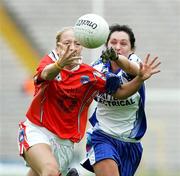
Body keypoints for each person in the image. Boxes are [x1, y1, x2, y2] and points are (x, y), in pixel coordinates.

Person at [17, 26, 160, 176]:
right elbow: (46, 75)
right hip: (38, 130)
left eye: (77, 43)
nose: (72, 47)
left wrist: (140, 78)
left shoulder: (90, 75)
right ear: (58, 47)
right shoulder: (49, 62)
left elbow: (120, 92)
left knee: (42, 172)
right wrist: (60, 64)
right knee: (50, 171)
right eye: (67, 43)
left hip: (66, 142)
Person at [81, 24, 160, 176]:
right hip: (102, 136)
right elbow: (120, 93)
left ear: (132, 49)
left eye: (123, 43)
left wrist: (119, 59)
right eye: (113, 42)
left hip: (131, 143)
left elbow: (133, 69)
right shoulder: (97, 68)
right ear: (106, 45)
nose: (118, 47)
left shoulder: (135, 63)